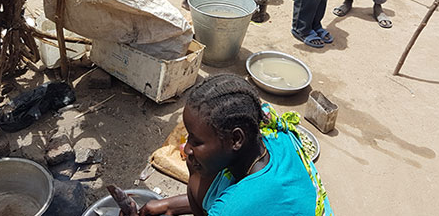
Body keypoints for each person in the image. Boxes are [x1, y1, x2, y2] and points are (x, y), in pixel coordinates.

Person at [138, 74, 334, 216]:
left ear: (236, 140)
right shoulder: (272, 137)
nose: (187, 148)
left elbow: (226, 206)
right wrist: (169, 206)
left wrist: (194, 173)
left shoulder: (236, 206)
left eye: (196, 141)